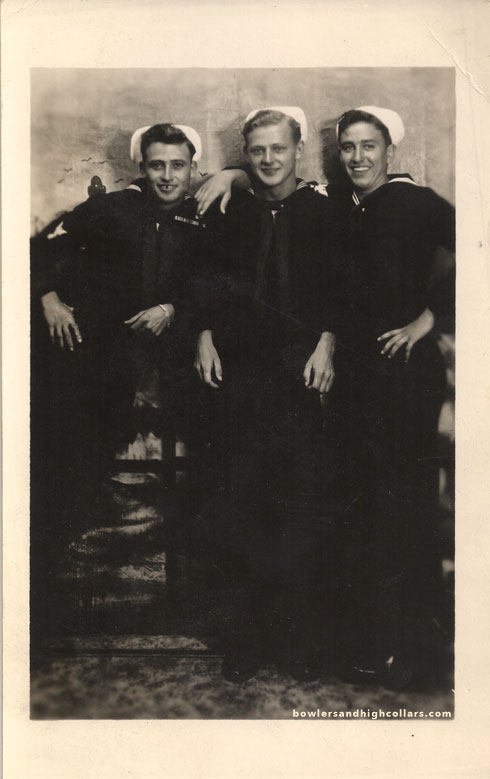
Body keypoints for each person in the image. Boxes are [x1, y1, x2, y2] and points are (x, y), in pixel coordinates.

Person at [31, 123, 209, 640]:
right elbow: (40, 247)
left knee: (216, 467)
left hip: (178, 367)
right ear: (142, 168)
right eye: (157, 165)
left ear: (193, 168)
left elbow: (222, 283)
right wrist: (48, 298)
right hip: (106, 364)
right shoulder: (111, 210)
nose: (168, 176)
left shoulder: (208, 216)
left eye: (178, 165)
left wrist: (172, 309)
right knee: (71, 464)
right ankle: (37, 605)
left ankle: (202, 604)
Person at [194, 107, 346, 682]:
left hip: (302, 377)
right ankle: (248, 642)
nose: (268, 159)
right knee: (243, 508)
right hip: (242, 379)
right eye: (256, 151)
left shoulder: (326, 212)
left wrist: (328, 342)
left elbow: (345, 287)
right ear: (247, 155)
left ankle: (300, 643)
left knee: (301, 509)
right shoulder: (230, 210)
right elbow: (203, 279)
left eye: (278, 148)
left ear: (298, 150)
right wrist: (203, 336)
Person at [332, 106, 455, 688]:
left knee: (407, 512)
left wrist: (426, 321)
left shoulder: (417, 202)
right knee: (365, 514)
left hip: (405, 379)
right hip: (356, 381)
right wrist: (231, 173)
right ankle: (372, 647)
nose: (357, 157)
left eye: (368, 146)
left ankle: (420, 657)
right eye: (348, 147)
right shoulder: (344, 204)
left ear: (390, 151)